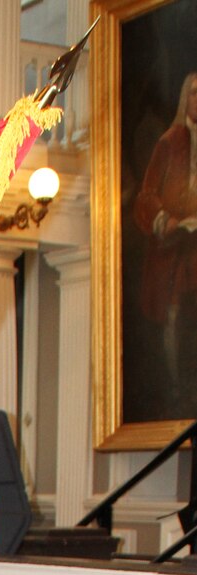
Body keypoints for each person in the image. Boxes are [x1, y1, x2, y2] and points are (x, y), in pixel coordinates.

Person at [133, 71, 197, 395]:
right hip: (174, 245)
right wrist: (163, 219)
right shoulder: (169, 142)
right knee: (174, 313)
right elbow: (146, 195)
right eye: (195, 93)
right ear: (185, 98)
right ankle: (176, 385)